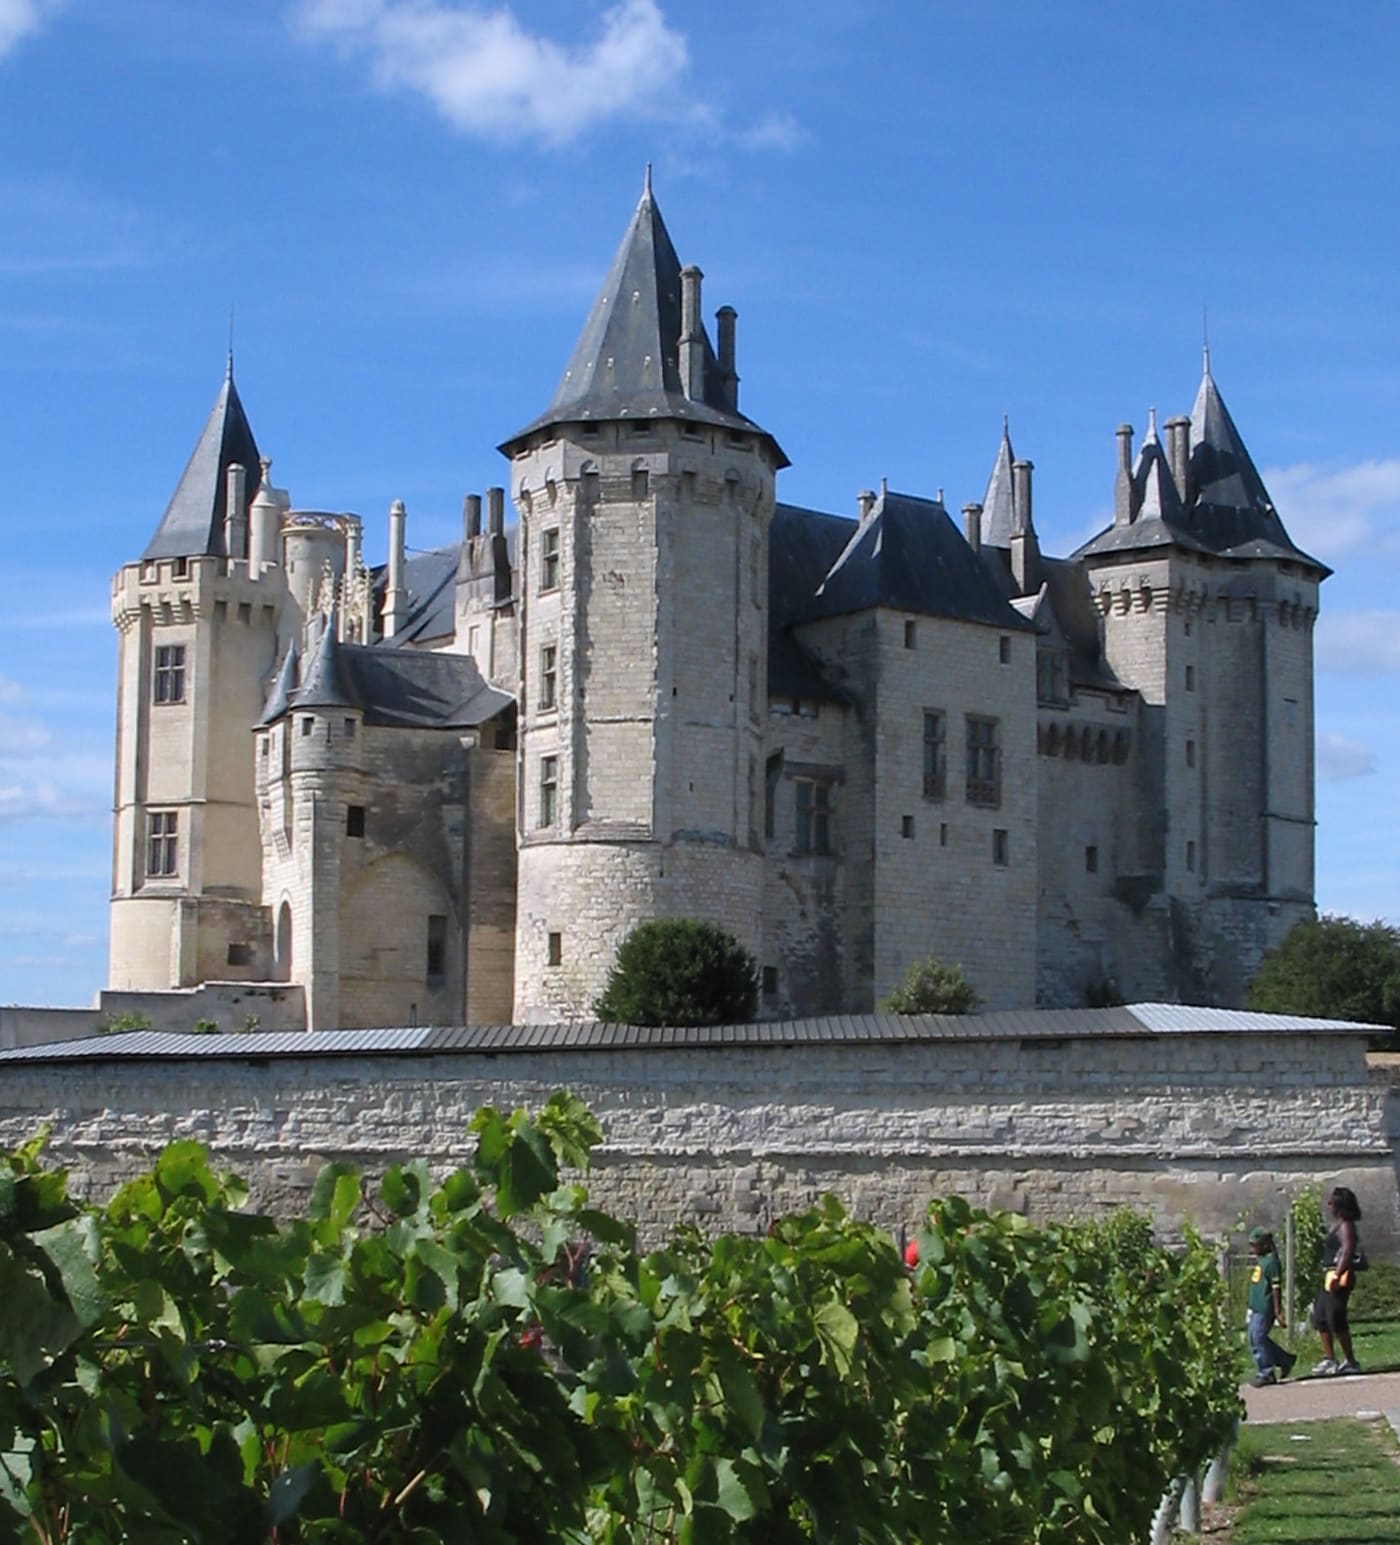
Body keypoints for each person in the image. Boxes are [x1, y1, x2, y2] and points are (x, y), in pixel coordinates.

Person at [1311, 1186, 1364, 1376]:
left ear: (1340, 1206)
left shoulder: (1346, 1226)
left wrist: (1337, 1274)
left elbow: (1348, 1251)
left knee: (1336, 1317)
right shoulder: (1338, 1225)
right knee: (1320, 1317)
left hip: (1339, 1276)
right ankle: (1330, 1359)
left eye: (1332, 1203)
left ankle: (1351, 1360)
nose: (1329, 1206)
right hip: (1329, 1274)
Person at [1245, 1226, 1296, 1386]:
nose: (1253, 1249)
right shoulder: (1262, 1261)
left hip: (1265, 1308)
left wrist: (1277, 1311)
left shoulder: (1272, 1262)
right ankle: (1284, 1359)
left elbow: (1275, 1288)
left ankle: (1266, 1372)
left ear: (1265, 1245)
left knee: (1258, 1338)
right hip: (1256, 1307)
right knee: (1254, 1338)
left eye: (1255, 1245)